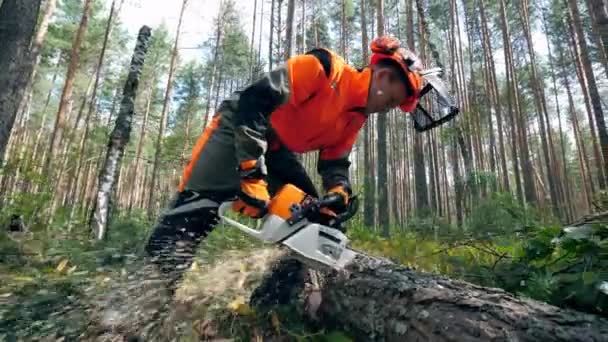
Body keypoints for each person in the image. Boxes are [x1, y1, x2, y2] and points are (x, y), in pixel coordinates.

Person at [144, 35, 430, 290]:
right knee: (194, 213)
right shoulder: (325, 68)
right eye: (392, 100)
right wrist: (252, 176)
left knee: (315, 220)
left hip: (276, 150)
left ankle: (274, 304)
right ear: (382, 76)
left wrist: (339, 190)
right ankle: (145, 296)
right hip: (237, 126)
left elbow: (335, 161)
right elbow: (253, 102)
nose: (387, 108)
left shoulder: (356, 117)